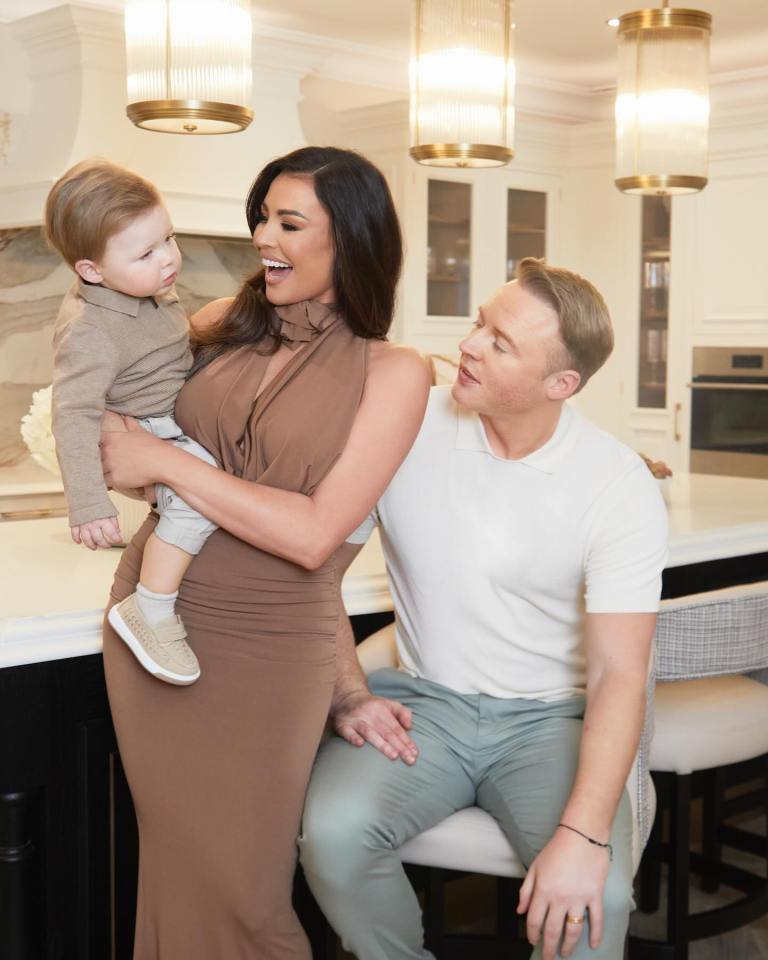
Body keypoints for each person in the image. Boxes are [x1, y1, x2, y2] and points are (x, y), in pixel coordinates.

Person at [98, 146, 431, 960]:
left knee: (245, 892)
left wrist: (168, 466)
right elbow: (119, 432)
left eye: (288, 221)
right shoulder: (219, 325)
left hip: (270, 650)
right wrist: (142, 463)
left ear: (350, 238)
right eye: (261, 218)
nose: (263, 237)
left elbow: (318, 536)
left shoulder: (396, 373)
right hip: (154, 625)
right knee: (181, 870)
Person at [298, 258, 669, 960]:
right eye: (479, 324)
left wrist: (584, 839)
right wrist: (348, 692)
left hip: (548, 722)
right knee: (333, 836)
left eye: (500, 343)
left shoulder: (616, 485)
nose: (467, 344)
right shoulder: (405, 425)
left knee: (600, 900)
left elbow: (620, 674)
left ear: (560, 385)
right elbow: (318, 571)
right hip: (424, 707)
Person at [46, 158, 219, 685]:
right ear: (91, 271)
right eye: (147, 252)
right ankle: (151, 608)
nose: (168, 259)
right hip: (151, 432)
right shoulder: (90, 328)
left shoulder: (145, 288)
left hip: (172, 422)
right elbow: (72, 413)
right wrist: (88, 502)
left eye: (168, 238)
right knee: (199, 497)